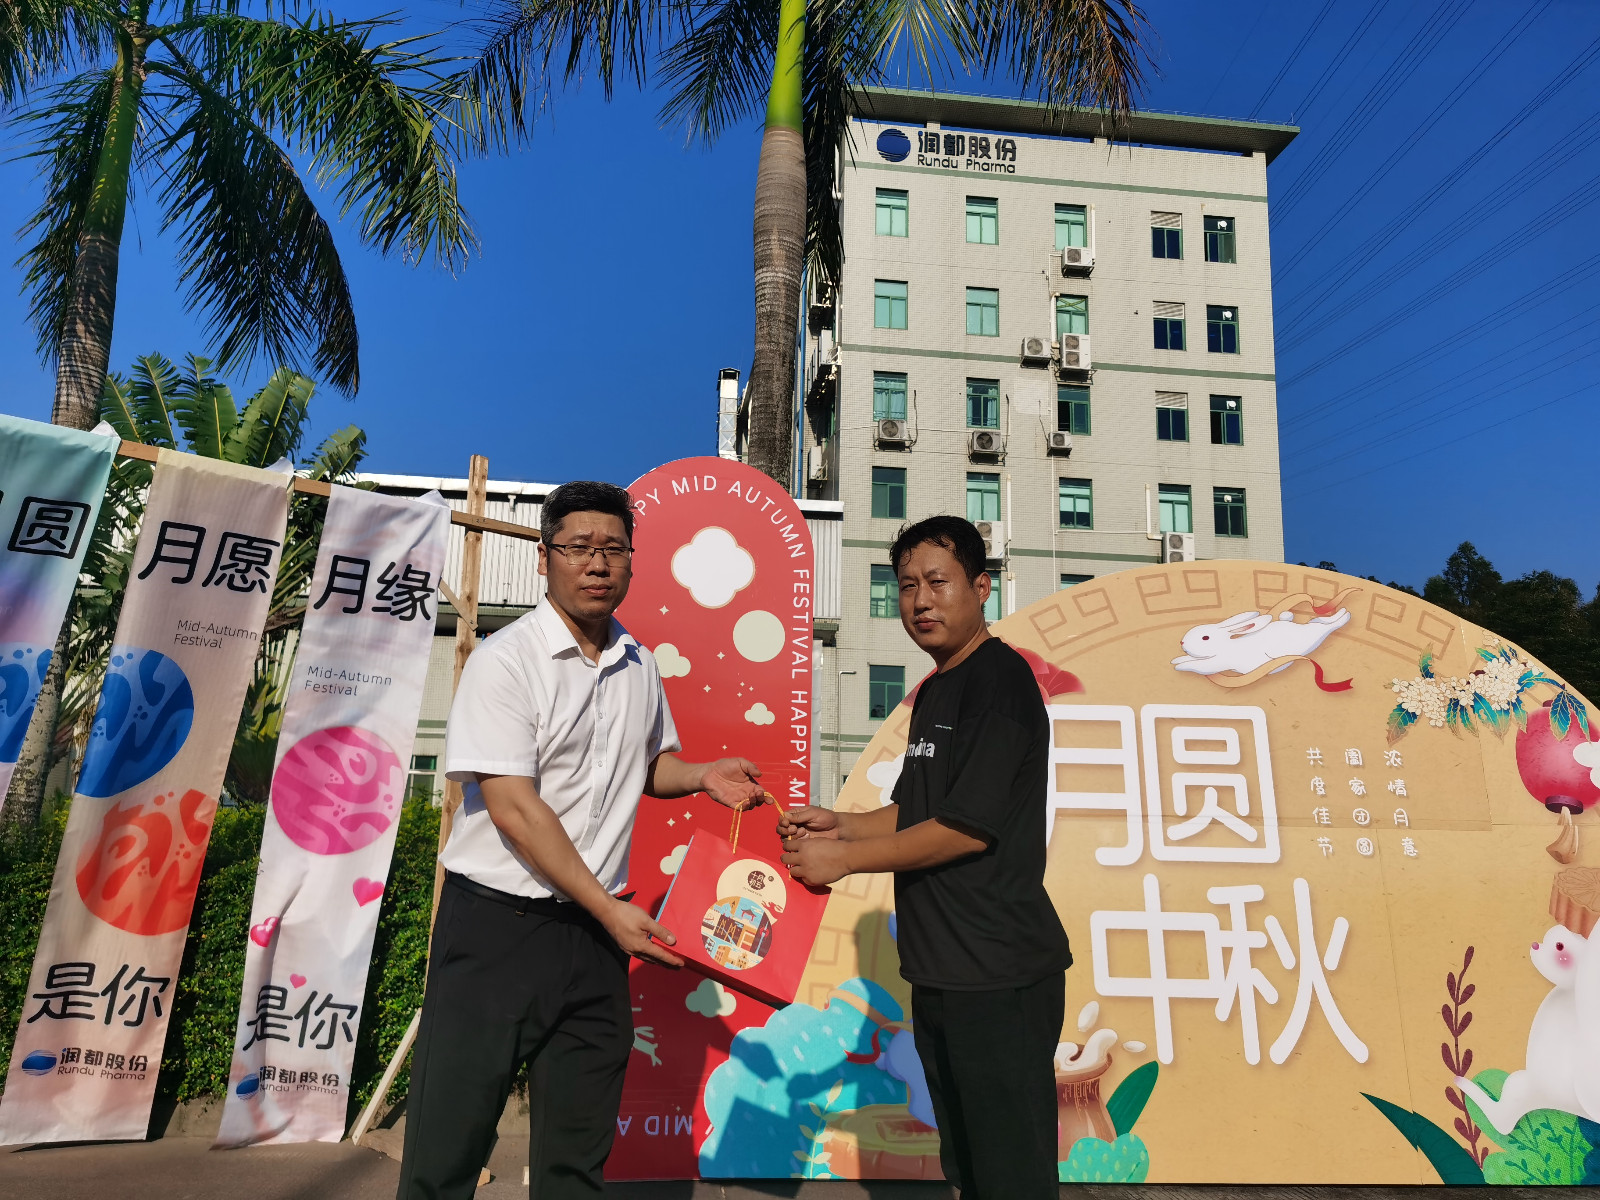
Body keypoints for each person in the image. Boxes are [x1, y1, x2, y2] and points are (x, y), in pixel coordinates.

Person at [397, 480, 767, 1200]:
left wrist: (700, 776)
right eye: (578, 548)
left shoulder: (639, 664)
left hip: (594, 943)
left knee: (577, 1158)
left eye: (613, 549)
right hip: (497, 931)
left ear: (630, 561)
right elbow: (514, 808)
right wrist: (608, 910)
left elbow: (644, 763)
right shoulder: (506, 660)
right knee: (448, 1147)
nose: (597, 563)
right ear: (545, 558)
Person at [779, 514, 1071, 1200]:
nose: (920, 601)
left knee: (1010, 1172)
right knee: (967, 1163)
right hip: (942, 969)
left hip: (997, 971)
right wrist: (842, 826)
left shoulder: (999, 681)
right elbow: (920, 810)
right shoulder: (938, 687)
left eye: (938, 582)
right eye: (906, 585)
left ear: (982, 587)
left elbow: (966, 830)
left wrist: (844, 862)